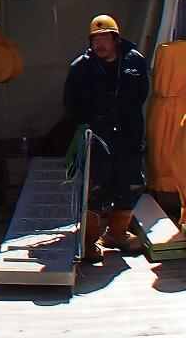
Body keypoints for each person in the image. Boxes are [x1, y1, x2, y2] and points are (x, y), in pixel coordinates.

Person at [63, 14, 149, 260]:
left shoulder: (135, 61)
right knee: (97, 190)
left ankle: (117, 233)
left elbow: (141, 94)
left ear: (115, 38)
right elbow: (71, 104)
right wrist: (87, 126)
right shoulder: (81, 67)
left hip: (129, 136)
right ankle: (90, 241)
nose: (99, 44)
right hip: (97, 138)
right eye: (95, 39)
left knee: (131, 184)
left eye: (104, 38)